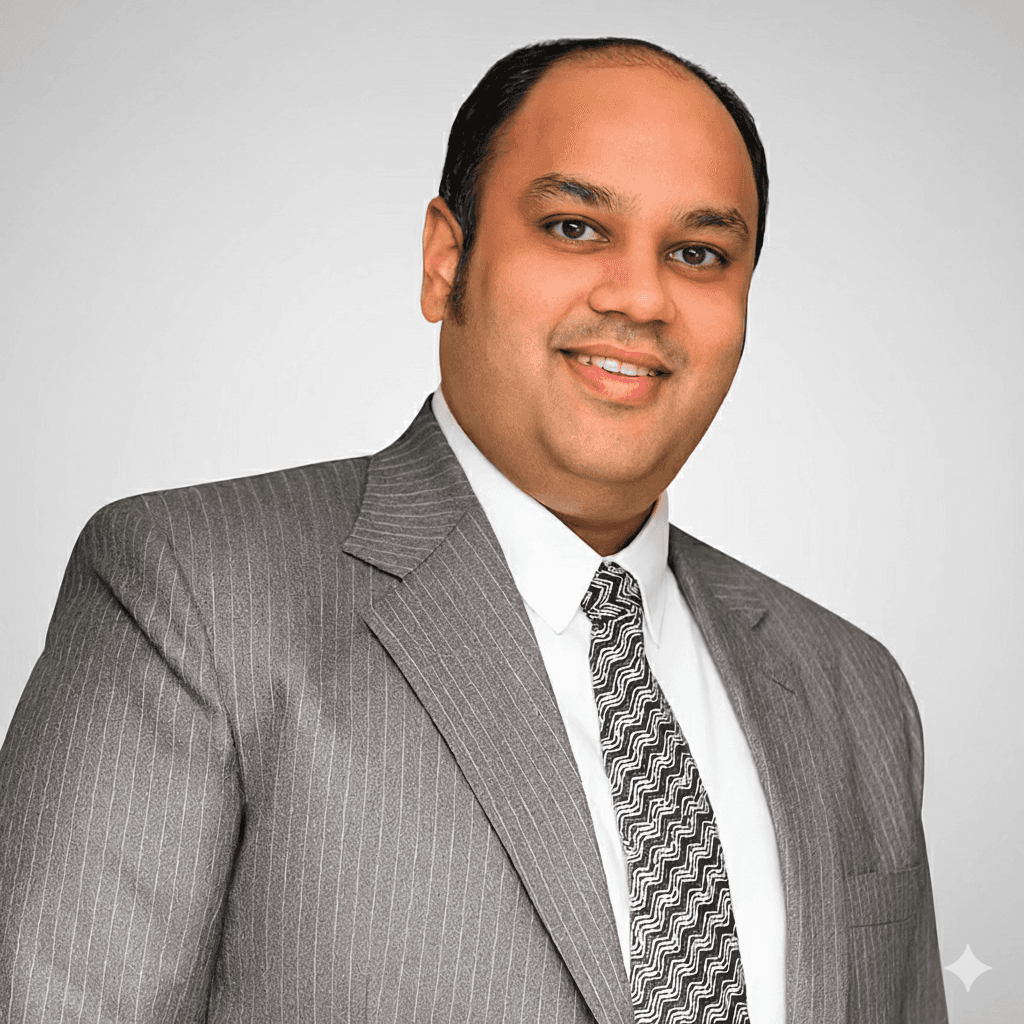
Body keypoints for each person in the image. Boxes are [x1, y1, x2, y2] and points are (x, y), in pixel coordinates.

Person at [0, 36, 946, 1024]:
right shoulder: (193, 592)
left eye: (697, 253)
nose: (640, 295)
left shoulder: (855, 691)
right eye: (575, 227)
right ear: (445, 261)